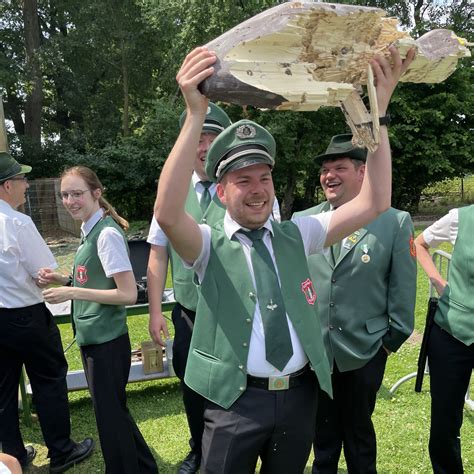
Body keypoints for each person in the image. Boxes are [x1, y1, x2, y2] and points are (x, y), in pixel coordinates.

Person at [153, 45, 414, 473]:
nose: (258, 190)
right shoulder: (206, 244)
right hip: (235, 401)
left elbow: (376, 200)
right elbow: (166, 213)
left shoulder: (297, 234)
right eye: (243, 180)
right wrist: (195, 115)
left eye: (265, 177)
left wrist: (378, 114)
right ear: (221, 191)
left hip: (298, 399)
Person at [293, 137, 416, 474]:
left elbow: (403, 290)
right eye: (325, 169)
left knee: (359, 436)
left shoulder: (393, 221)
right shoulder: (304, 220)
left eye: (339, 168)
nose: (329, 175)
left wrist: (387, 346)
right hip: (317, 351)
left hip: (365, 349)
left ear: (363, 172)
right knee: (323, 437)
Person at [40, 166, 158, 474]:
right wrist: (64, 279)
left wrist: (73, 293)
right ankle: (145, 467)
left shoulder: (105, 235)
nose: (70, 201)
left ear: (97, 193)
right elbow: (97, 279)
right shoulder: (90, 230)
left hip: (107, 342)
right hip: (98, 338)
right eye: (65, 194)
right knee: (113, 411)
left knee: (109, 417)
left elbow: (128, 294)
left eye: (77, 193)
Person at [147, 103, 231, 473]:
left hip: (234, 313)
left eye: (213, 138)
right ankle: (198, 447)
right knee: (192, 384)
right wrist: (153, 311)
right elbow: (157, 254)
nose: (205, 146)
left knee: (234, 383)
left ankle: (233, 445)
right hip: (189, 313)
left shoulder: (245, 184)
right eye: (199, 137)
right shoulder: (173, 191)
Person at [0, 152, 94, 473]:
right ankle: (61, 450)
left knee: (3, 390)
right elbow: (44, 271)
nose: (26, 185)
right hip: (25, 315)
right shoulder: (17, 222)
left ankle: (12, 456)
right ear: (7, 185)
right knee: (49, 379)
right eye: (22, 180)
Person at [414, 208, 474, 474]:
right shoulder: (461, 218)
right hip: (451, 334)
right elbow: (419, 243)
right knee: (444, 425)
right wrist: (437, 279)